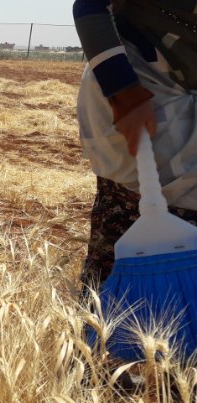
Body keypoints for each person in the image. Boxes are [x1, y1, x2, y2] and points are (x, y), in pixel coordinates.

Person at [75, 0, 197, 291]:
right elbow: (89, 5)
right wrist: (124, 94)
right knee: (142, 222)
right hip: (147, 92)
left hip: (166, 99)